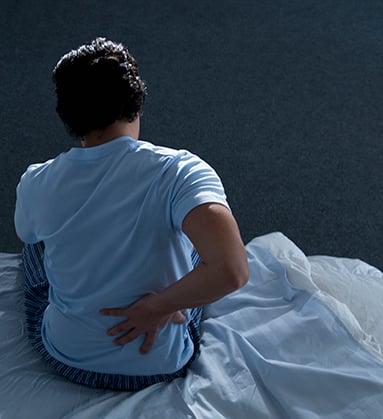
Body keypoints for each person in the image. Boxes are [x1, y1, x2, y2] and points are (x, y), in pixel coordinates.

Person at [14, 37, 249, 391]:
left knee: (33, 245)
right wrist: (158, 306)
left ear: (67, 116)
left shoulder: (36, 181)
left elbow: (29, 235)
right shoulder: (180, 171)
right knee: (198, 242)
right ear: (137, 102)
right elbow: (232, 270)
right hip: (161, 363)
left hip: (66, 357)